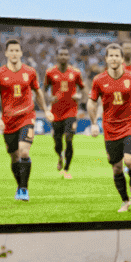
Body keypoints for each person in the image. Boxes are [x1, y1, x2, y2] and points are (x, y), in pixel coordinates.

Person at [87, 43, 131, 213]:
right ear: (106, 59)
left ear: (122, 59)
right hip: (110, 129)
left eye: (116, 55)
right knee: (116, 167)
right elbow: (91, 103)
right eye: (110, 56)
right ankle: (124, 201)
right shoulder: (98, 80)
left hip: (130, 126)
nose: (114, 58)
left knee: (130, 161)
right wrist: (93, 123)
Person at [0, 38, 51, 202]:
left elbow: (38, 93)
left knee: (24, 151)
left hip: (27, 117)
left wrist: (45, 110)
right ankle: (20, 185)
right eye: (11, 51)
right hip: (8, 121)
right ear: (6, 53)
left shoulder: (30, 72)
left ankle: (24, 189)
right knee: (14, 157)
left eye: (17, 50)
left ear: (21, 53)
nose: (14, 53)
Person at [45, 47, 85, 179]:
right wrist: (48, 98)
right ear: (57, 57)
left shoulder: (76, 72)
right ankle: (60, 157)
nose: (63, 56)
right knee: (57, 142)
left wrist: (80, 96)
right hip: (56, 112)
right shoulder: (50, 73)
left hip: (71, 111)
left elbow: (84, 89)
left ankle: (66, 169)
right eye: (61, 54)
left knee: (69, 138)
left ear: (69, 57)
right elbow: (43, 90)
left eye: (66, 54)